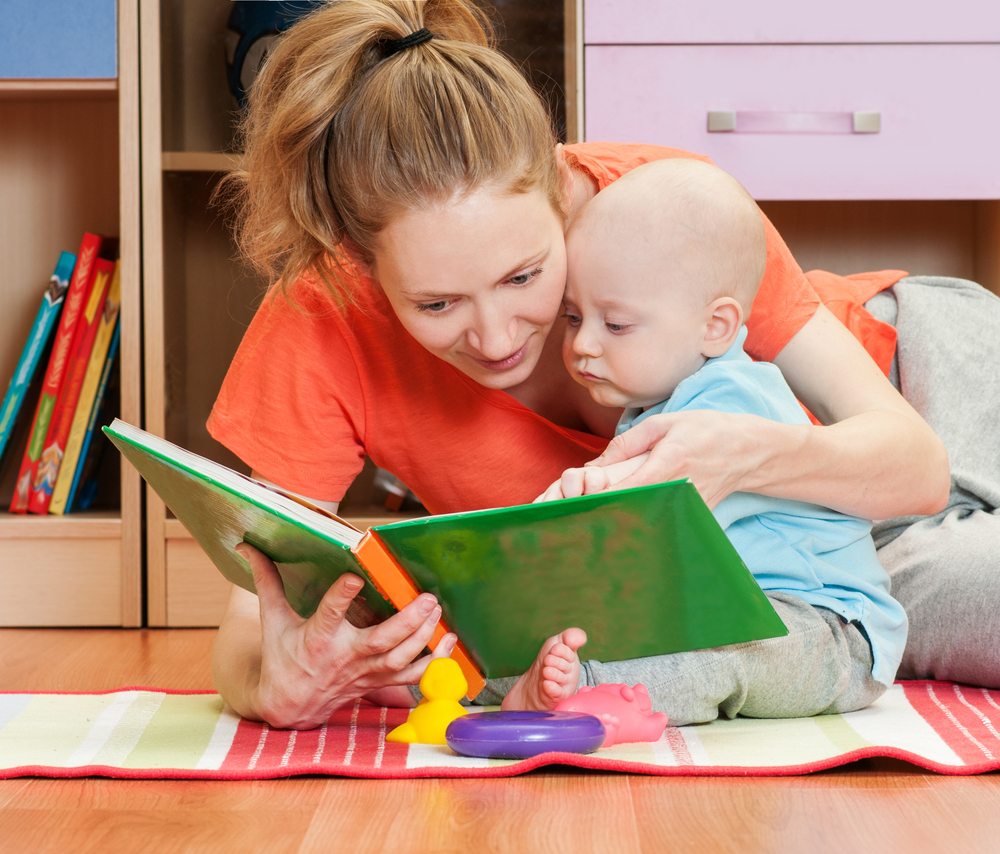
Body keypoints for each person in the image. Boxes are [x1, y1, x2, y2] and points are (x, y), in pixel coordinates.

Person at [206, 0, 998, 729]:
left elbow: (916, 467)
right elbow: (255, 618)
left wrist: (741, 455)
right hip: (815, 588)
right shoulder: (324, 312)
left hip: (921, 387)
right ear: (359, 260)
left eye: (524, 276)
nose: (495, 338)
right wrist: (274, 684)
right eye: (437, 304)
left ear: (560, 187)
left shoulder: (664, 214)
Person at [500, 157, 906, 720]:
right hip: (730, 610)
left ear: (715, 327)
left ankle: (587, 694)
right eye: (573, 317)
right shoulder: (653, 402)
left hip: (829, 630)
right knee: (574, 637)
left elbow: (644, 511)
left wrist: (572, 501)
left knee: (717, 655)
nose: (583, 345)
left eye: (615, 324)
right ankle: (492, 681)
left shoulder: (735, 396)